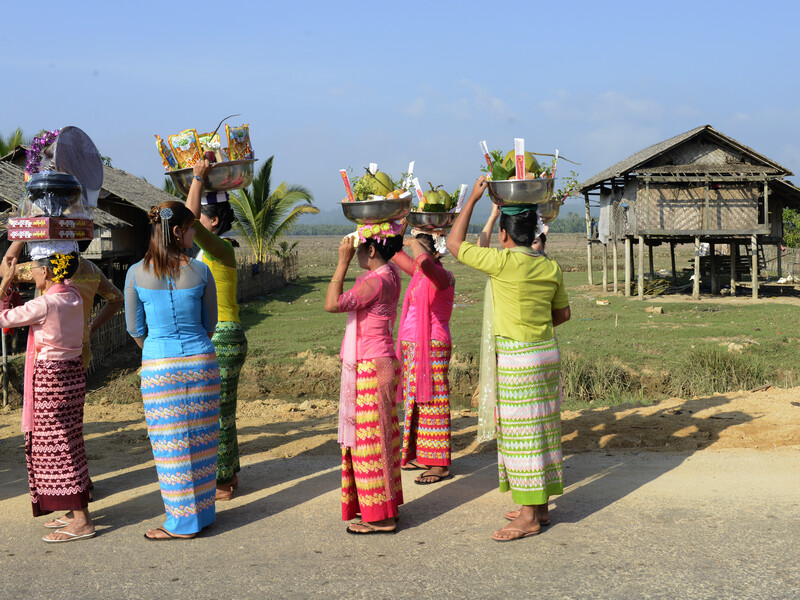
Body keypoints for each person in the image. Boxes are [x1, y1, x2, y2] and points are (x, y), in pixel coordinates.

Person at [447, 176, 571, 542]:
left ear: (504, 235)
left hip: (519, 359)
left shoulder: (502, 263)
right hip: (546, 353)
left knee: (523, 435)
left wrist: (471, 200)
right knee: (544, 429)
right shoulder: (550, 267)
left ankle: (529, 517)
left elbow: (454, 243)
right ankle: (540, 505)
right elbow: (562, 315)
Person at [124, 200, 221, 540]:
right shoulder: (201, 271)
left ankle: (181, 522)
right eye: (192, 227)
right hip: (201, 363)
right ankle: (203, 515)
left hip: (160, 367)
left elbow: (136, 331)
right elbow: (210, 324)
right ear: (178, 231)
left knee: (171, 444)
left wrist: (157, 352)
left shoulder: (135, 273)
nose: (196, 233)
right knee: (203, 440)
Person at [0, 251, 95, 543]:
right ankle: (72, 509)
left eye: (37, 270)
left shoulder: (45, 303)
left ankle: (82, 520)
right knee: (70, 440)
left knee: (57, 446)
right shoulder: (72, 295)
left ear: (47, 273)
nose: (35, 275)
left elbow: (5, 318)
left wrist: (4, 282)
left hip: (50, 378)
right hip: (72, 374)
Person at [324, 231, 404, 534]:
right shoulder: (390, 273)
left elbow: (332, 304)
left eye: (358, 249)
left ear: (371, 250)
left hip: (371, 365)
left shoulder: (375, 281)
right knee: (380, 436)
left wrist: (341, 263)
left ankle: (380, 517)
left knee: (369, 441)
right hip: (380, 359)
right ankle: (385, 508)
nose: (354, 253)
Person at [187, 160, 247, 501]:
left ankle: (222, 481)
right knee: (224, 409)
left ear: (213, 221)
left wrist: (197, 177)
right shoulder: (214, 252)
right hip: (227, 334)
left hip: (223, 336)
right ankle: (230, 474)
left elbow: (188, 220)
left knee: (217, 411)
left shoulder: (220, 249)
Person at [392, 231, 455, 484]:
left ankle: (440, 465)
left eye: (422, 251)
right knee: (415, 401)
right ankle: (422, 454)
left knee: (434, 401)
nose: (418, 257)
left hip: (433, 345)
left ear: (436, 252)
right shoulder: (419, 273)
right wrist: (392, 230)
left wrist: (414, 243)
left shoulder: (443, 276)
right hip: (413, 347)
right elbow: (395, 254)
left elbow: (426, 263)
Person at [479, 203, 547, 255]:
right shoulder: (553, 266)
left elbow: (479, 254)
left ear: (504, 234)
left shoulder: (500, 262)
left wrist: (493, 216)